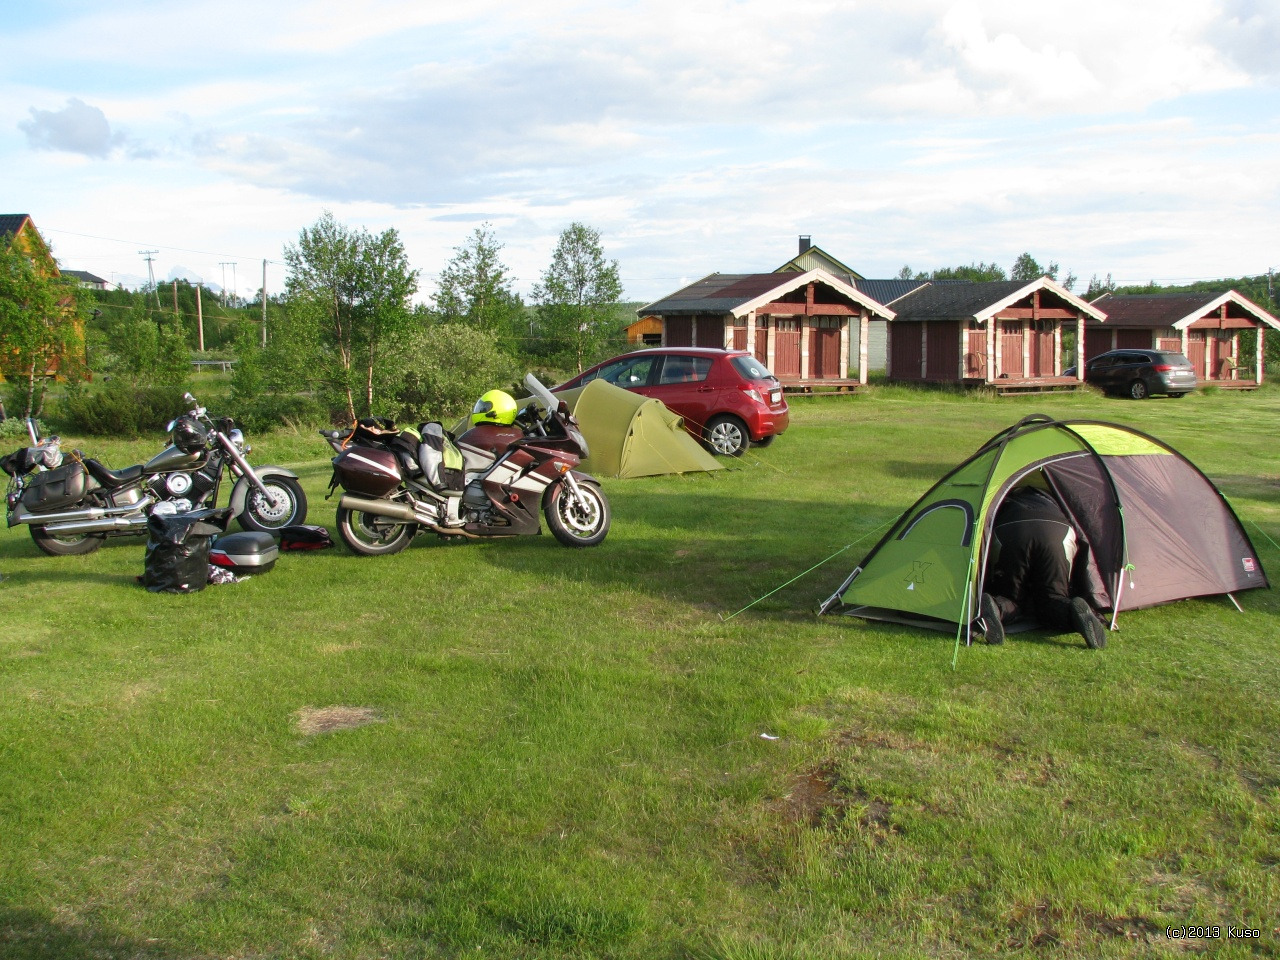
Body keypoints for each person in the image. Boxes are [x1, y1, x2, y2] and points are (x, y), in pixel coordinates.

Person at [978, 485, 1106, 650]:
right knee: (1053, 598)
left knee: (1010, 597)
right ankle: (1073, 612)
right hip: (1057, 530)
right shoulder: (1057, 497)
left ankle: (996, 607)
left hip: (1011, 529)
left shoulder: (1000, 497)